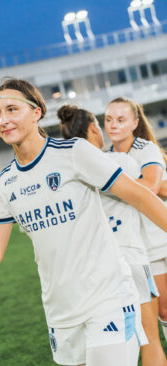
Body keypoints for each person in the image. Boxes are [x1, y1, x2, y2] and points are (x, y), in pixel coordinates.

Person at [0, 79, 167, 366]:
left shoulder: (75, 153)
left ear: (36, 112)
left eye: (12, 109)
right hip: (61, 313)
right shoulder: (4, 185)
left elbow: (141, 197)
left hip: (109, 299)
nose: (3, 120)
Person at [57, 104, 167, 366]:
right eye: (106, 120)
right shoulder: (120, 162)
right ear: (95, 128)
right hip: (132, 257)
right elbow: (150, 189)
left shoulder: (65, 171)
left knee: (105, 348)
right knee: (150, 340)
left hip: (90, 269)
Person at [105, 97, 167, 345]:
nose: (113, 125)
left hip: (160, 236)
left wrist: (112, 188)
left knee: (164, 309)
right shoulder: (104, 157)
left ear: (134, 123)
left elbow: (151, 186)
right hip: (137, 244)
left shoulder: (146, 148)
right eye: (108, 119)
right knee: (158, 312)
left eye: (121, 120)